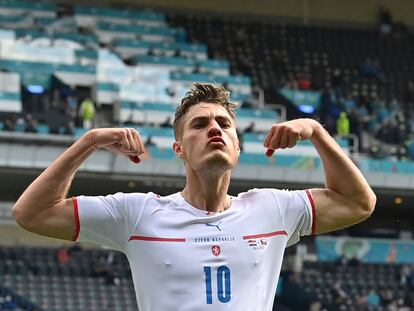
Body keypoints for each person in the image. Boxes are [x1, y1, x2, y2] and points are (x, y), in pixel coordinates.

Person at [12, 83, 376, 311]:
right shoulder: (137, 214)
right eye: (199, 125)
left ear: (237, 146)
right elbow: (32, 213)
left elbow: (359, 203)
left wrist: (314, 132)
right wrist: (88, 142)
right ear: (179, 149)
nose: (214, 129)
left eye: (224, 124)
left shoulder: (273, 208)